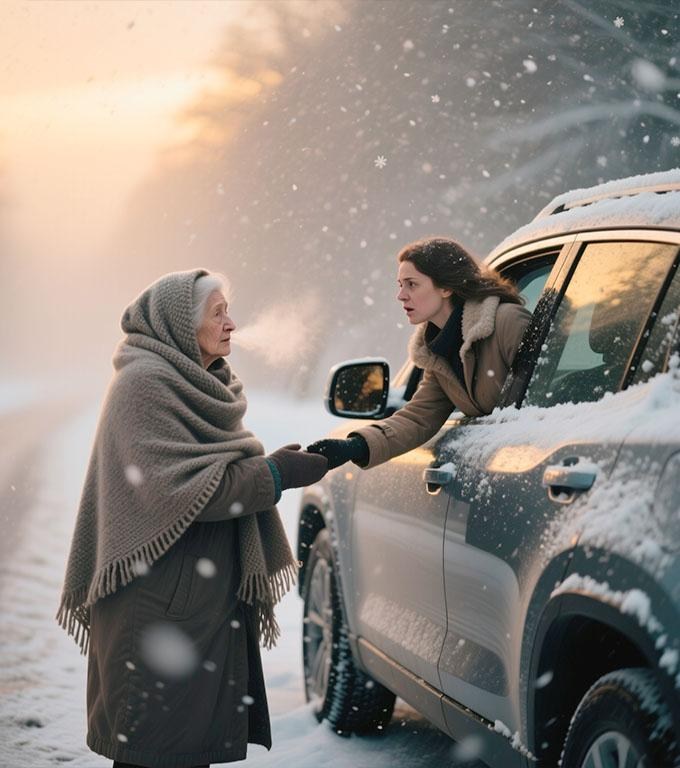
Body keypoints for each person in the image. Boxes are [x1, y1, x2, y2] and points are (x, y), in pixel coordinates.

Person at [56, 269, 327, 768]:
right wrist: (275, 473)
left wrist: (268, 469)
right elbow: (188, 493)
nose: (232, 323)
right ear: (182, 323)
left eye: (229, 310)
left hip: (191, 604)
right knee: (154, 754)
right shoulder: (145, 385)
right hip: (156, 606)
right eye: (217, 312)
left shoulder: (200, 384)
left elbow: (211, 471)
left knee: (180, 751)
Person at [307, 236, 532, 469]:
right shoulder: (438, 352)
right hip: (499, 465)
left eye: (411, 284)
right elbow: (419, 417)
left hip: (526, 460)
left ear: (446, 287)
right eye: (400, 284)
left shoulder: (508, 323)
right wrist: (354, 446)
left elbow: (543, 397)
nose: (401, 295)